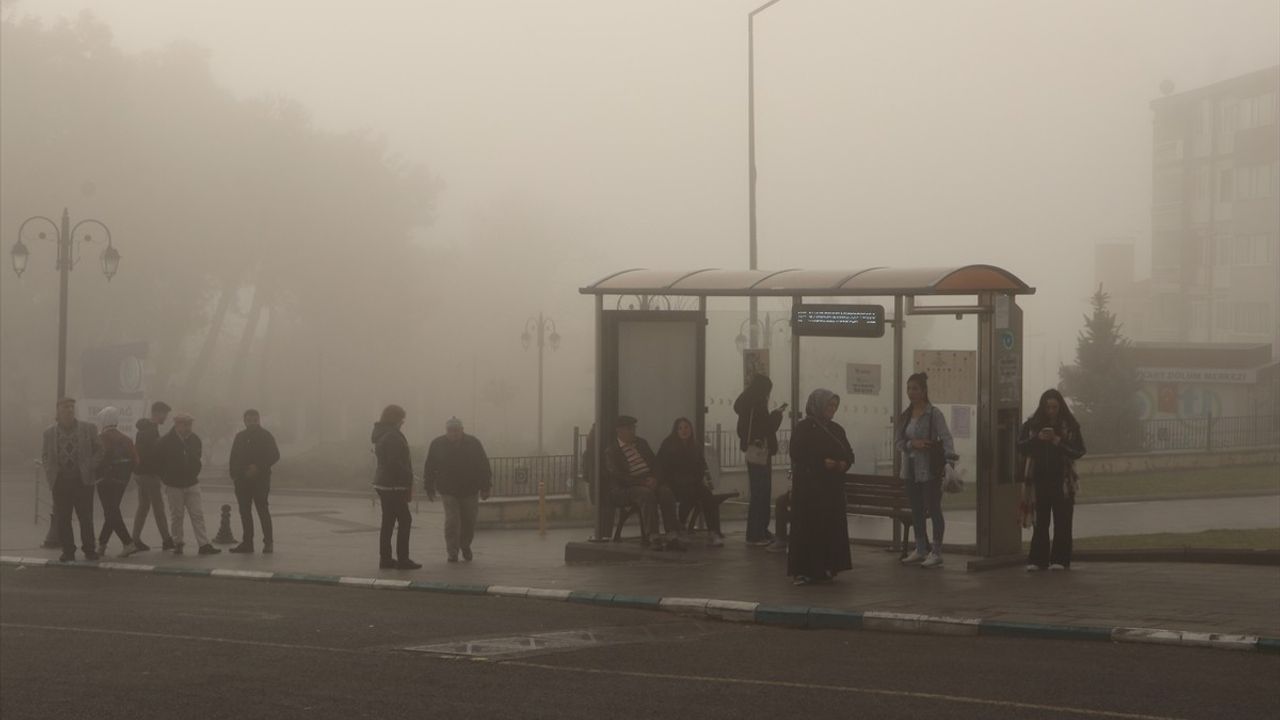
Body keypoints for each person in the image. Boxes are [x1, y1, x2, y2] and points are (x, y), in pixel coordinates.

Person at [787, 389, 854, 585]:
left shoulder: (836, 429)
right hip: (809, 489)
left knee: (828, 527)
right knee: (809, 528)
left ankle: (826, 567)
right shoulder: (804, 428)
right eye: (828, 405)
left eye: (834, 406)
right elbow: (797, 453)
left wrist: (843, 464)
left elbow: (848, 454)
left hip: (831, 489)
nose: (832, 409)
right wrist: (821, 463)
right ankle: (804, 570)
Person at [1019, 389, 1087, 572]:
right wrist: (1037, 438)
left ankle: (1060, 559)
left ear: (1060, 407)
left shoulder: (1070, 425)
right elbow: (1020, 446)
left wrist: (1058, 441)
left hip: (1063, 481)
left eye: (1055, 407)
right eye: (1048, 407)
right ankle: (1038, 559)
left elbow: (1079, 450)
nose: (1051, 411)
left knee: (1063, 521)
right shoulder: (1032, 425)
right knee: (1040, 522)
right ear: (1042, 407)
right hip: (1039, 480)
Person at [895, 372, 958, 568]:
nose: (911, 392)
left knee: (934, 508)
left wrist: (949, 462)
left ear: (924, 391)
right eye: (908, 388)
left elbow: (946, 438)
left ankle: (936, 551)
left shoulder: (934, 414)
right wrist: (912, 444)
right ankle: (921, 548)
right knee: (916, 509)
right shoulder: (905, 415)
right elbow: (898, 442)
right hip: (910, 469)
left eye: (915, 388)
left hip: (929, 469)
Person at [604, 415, 682, 550]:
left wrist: (655, 479)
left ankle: (672, 534)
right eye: (629, 429)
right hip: (625, 488)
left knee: (666, 492)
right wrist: (641, 482)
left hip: (648, 480)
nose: (633, 432)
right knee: (646, 494)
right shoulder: (612, 451)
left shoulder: (641, 443)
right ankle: (653, 536)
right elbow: (619, 476)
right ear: (619, 431)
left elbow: (656, 463)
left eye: (633, 428)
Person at [41, 398, 103, 562]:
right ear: (58, 410)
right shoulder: (49, 433)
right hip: (60, 481)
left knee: (86, 517)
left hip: (82, 481)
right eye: (65, 407)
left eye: (71, 407)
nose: (69, 410)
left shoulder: (88, 428)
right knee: (63, 518)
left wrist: (90, 465)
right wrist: (50, 471)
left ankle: (89, 550)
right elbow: (45, 454)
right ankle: (68, 551)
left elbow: (100, 449)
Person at [423, 417, 492, 563]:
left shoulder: (473, 443)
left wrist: (485, 487)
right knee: (452, 521)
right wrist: (429, 487)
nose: (453, 433)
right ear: (446, 431)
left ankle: (465, 545)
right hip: (448, 490)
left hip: (470, 489)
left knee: (469, 521)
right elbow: (430, 466)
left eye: (456, 430)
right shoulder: (437, 444)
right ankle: (452, 552)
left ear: (462, 430)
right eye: (450, 430)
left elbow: (483, 465)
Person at [157, 412, 221, 556]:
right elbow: (159, 462)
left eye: (190, 425)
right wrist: (166, 478)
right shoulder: (166, 441)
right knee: (177, 515)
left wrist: (194, 471)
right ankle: (178, 542)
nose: (188, 428)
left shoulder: (195, 439)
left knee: (197, 514)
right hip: (173, 484)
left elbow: (197, 458)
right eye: (185, 425)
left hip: (192, 482)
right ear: (176, 425)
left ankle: (203, 544)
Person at [734, 374, 785, 546]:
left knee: (760, 492)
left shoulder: (746, 404)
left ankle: (761, 530)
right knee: (761, 493)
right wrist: (777, 415)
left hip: (755, 451)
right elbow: (767, 427)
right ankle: (755, 534)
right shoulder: (757, 404)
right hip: (760, 452)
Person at [656, 417, 722, 547]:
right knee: (689, 493)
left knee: (708, 496)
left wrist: (698, 480)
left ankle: (713, 532)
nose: (684, 431)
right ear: (676, 431)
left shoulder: (695, 445)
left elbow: (701, 465)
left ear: (691, 429)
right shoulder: (668, 444)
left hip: (692, 482)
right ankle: (680, 527)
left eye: (686, 427)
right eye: (680, 428)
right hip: (672, 483)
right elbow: (662, 466)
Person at [372, 404, 420, 570]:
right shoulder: (392, 436)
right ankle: (403, 559)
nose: (402, 423)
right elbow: (394, 462)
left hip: (383, 483)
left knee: (388, 521)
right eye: (401, 419)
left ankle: (385, 559)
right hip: (394, 485)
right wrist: (409, 476)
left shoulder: (381, 433)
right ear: (395, 419)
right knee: (405, 520)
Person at [228, 409, 281, 554]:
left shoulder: (266, 436)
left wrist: (258, 466)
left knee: (262, 510)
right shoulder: (240, 436)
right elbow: (233, 457)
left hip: (260, 480)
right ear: (244, 421)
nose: (252, 423)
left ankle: (268, 542)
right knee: (245, 512)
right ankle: (247, 543)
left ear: (259, 420)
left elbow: (275, 455)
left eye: (254, 420)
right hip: (242, 480)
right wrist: (234, 475)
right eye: (249, 420)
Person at [95, 407, 140, 557]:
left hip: (103, 480)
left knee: (110, 511)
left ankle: (128, 543)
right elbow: (136, 460)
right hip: (121, 481)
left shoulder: (101, 438)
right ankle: (102, 544)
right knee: (113, 510)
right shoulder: (126, 439)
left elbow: (96, 460)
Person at [132, 401, 175, 552]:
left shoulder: (144, 428)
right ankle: (167, 540)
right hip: (149, 474)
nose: (166, 417)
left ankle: (135, 539)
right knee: (158, 507)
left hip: (140, 473)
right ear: (157, 413)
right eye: (165, 414)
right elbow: (152, 455)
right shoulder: (151, 431)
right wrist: (161, 471)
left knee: (143, 506)